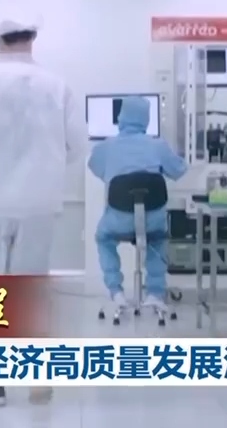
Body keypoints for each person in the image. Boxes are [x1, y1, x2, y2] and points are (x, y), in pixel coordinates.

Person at [0, 15, 88, 408]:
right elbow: (78, 147)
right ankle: (37, 379)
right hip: (39, 201)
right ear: (32, 39)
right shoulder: (58, 86)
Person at [89, 96, 188, 318]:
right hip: (153, 221)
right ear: (146, 119)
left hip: (118, 220)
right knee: (158, 239)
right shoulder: (158, 146)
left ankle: (116, 292)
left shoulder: (106, 147)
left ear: (121, 117)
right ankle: (155, 293)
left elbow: (95, 167)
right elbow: (180, 170)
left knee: (103, 238)